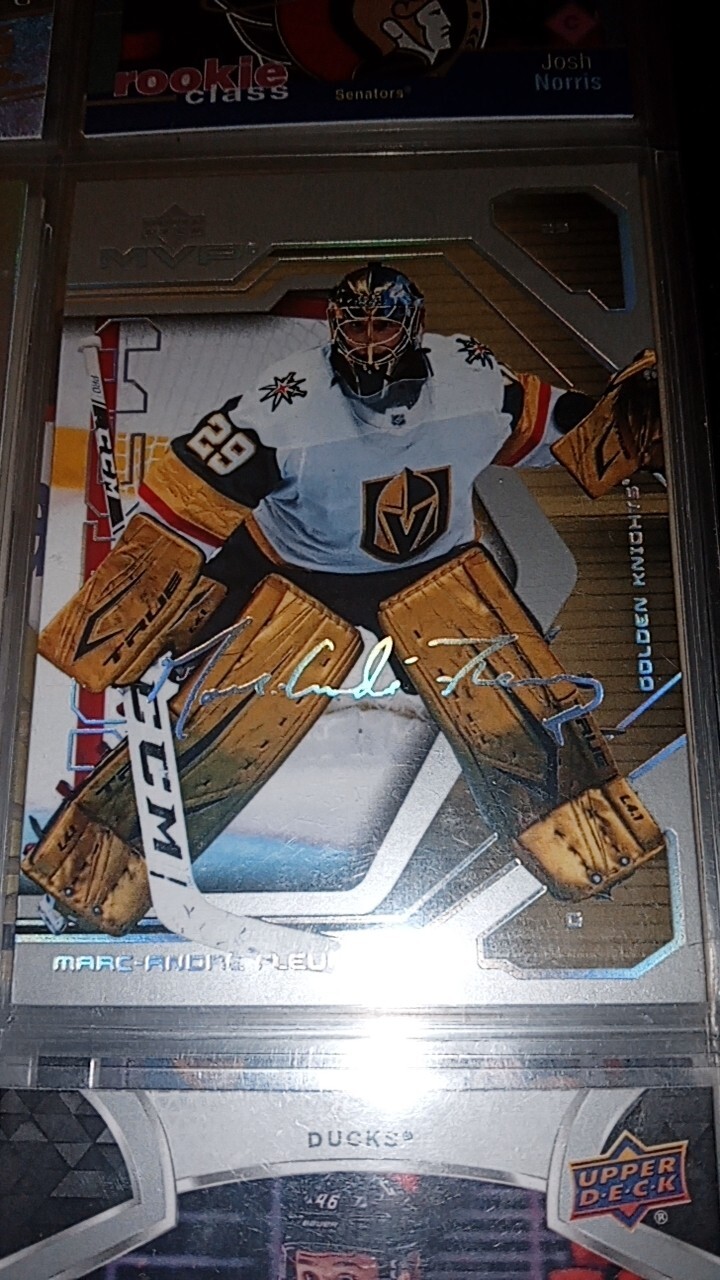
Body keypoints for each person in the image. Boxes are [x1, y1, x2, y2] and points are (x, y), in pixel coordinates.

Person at [25, 263, 666, 934]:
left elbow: (566, 431)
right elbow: (183, 501)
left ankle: (594, 857)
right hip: (298, 570)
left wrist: (635, 418)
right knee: (221, 729)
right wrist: (121, 617)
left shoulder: (472, 376)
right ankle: (90, 877)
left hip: (431, 571)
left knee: (521, 713)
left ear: (413, 327)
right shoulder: (283, 404)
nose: (367, 342)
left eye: (382, 325)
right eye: (354, 327)